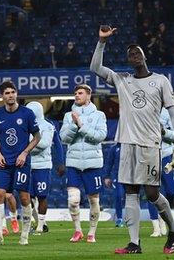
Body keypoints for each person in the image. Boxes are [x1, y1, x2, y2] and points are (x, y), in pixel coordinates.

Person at [90, 26, 174, 255]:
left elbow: (173, 112)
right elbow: (95, 67)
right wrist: (102, 42)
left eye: (137, 52)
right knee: (130, 192)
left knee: (151, 194)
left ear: (144, 55)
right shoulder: (122, 80)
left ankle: (173, 229)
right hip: (127, 145)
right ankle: (134, 243)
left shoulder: (161, 81)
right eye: (130, 54)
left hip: (150, 144)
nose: (134, 56)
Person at [0, 81, 40, 246]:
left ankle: (24, 236)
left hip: (21, 162)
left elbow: (37, 137)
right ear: (1, 96)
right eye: (7, 93)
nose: (10, 95)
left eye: (13, 92)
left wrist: (25, 152)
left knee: (24, 197)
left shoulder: (27, 113)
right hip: (4, 162)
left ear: (16, 93)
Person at [59, 84, 107, 243]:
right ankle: (78, 230)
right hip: (73, 163)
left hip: (93, 165)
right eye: (75, 93)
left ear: (88, 95)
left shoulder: (99, 115)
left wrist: (81, 125)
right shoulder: (68, 116)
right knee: (73, 200)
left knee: (94, 200)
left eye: (80, 93)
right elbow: (64, 138)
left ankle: (92, 232)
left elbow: (100, 136)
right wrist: (73, 124)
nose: (76, 95)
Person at [25, 101, 62, 235]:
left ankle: (40, 225)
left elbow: (45, 143)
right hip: (26, 164)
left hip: (42, 165)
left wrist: (28, 141)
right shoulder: (23, 124)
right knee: (26, 197)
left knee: (41, 196)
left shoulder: (48, 126)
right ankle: (38, 222)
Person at [148, 107, 174, 237]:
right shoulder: (143, 110)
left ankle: (163, 220)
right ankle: (156, 227)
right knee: (151, 191)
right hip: (149, 156)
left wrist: (164, 131)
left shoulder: (168, 113)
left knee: (171, 191)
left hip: (166, 156)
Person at [104, 143, 125, 227]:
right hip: (118, 177)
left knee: (133, 197)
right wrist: (107, 176)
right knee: (118, 196)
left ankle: (132, 218)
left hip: (130, 176)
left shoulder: (132, 146)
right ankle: (119, 218)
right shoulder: (114, 148)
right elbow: (109, 163)